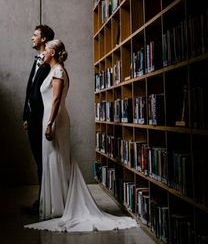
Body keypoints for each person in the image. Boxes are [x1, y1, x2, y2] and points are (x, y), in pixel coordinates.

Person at [24, 39, 137, 233]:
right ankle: (57, 205)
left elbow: (57, 99)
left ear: (52, 52)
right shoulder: (52, 70)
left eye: (47, 50)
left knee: (57, 158)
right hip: (48, 118)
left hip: (55, 119)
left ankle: (61, 205)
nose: (43, 53)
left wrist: (50, 123)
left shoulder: (58, 71)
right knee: (52, 159)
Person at [21, 23, 54, 213]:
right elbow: (30, 89)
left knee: (43, 161)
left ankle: (43, 202)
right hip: (32, 118)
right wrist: (26, 114)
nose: (32, 38)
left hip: (42, 119)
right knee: (38, 160)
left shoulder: (49, 62)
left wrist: (45, 120)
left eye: (35, 35)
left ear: (44, 39)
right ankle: (41, 200)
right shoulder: (37, 60)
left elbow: (45, 92)